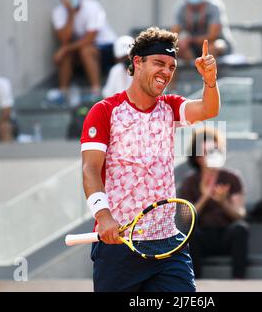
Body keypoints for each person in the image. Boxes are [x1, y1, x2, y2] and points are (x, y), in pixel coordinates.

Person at [80, 27, 220, 292]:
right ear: (137, 62)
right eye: (159, 63)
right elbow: (90, 169)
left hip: (168, 244)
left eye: (171, 66)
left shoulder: (170, 106)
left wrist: (210, 81)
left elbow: (208, 108)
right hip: (118, 245)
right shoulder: (105, 111)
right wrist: (104, 216)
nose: (166, 72)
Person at [179, 127, 248, 279]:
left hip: (226, 234)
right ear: (198, 157)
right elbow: (184, 220)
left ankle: (239, 281)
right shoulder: (189, 182)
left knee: (240, 229)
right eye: (207, 151)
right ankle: (194, 283)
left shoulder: (232, 178)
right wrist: (204, 197)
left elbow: (240, 215)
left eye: (215, 150)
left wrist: (224, 203)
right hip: (202, 235)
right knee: (192, 235)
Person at [52, 0, 117, 99]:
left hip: (106, 47)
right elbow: (64, 39)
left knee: (85, 50)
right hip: (80, 49)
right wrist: (71, 15)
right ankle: (63, 92)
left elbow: (89, 38)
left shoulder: (93, 7)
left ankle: (96, 91)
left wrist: (65, 49)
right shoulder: (58, 12)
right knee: (67, 55)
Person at [171, 0, 235, 61]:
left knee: (211, 48)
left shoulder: (214, 6)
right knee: (176, 48)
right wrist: (180, 43)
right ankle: (195, 69)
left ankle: (211, 70)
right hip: (194, 46)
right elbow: (174, 35)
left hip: (217, 43)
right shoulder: (181, 9)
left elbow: (213, 35)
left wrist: (190, 40)